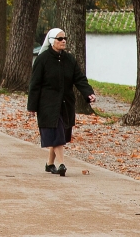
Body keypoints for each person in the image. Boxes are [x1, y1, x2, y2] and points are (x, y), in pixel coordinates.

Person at [27, 27, 96, 177]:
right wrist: (32, 106)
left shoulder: (69, 59)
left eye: (64, 38)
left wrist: (88, 93)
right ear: (52, 41)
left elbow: (79, 78)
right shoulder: (42, 59)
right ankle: (62, 164)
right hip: (47, 104)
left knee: (59, 134)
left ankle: (50, 164)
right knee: (57, 133)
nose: (63, 41)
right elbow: (35, 84)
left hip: (65, 103)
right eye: (60, 39)